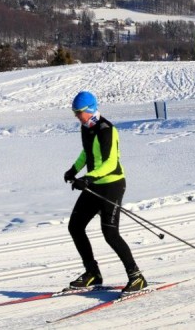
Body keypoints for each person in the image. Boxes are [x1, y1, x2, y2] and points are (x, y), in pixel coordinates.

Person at [63, 90, 147, 296]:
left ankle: (136, 277)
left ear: (90, 110)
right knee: (75, 226)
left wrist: (88, 178)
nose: (77, 117)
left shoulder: (106, 129)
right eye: (75, 113)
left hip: (112, 184)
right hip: (94, 184)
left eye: (79, 112)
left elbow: (110, 163)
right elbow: (87, 152)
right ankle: (92, 273)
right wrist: (74, 170)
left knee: (110, 233)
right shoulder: (86, 128)